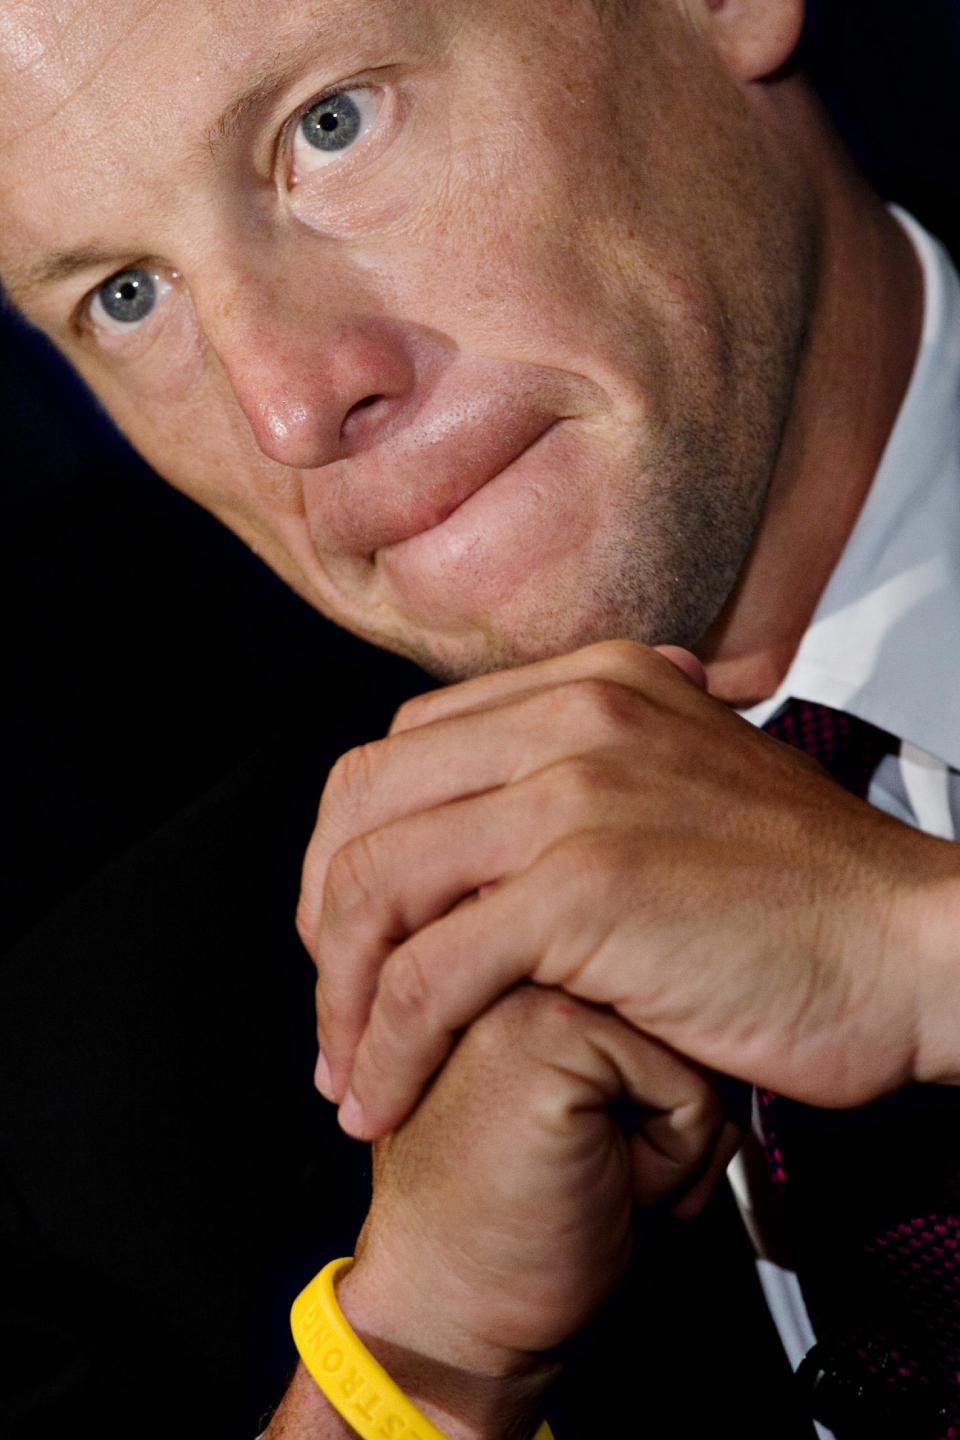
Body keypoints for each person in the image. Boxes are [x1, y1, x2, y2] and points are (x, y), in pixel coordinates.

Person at [1, 1, 958, 1437]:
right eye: (127, 293)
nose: (287, 404)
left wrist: (920, 953)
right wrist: (423, 1373)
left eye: (331, 125)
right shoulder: (113, 1108)